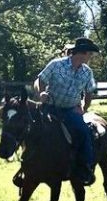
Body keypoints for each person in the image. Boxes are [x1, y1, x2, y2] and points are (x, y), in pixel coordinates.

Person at [36, 37, 99, 186]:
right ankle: (27, 168)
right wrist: (41, 93)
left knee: (84, 131)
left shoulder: (87, 72)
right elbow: (40, 80)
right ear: (81, 53)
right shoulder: (56, 65)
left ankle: (85, 168)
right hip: (50, 107)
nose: (91, 57)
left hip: (71, 110)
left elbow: (89, 92)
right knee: (34, 129)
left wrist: (84, 108)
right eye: (90, 54)